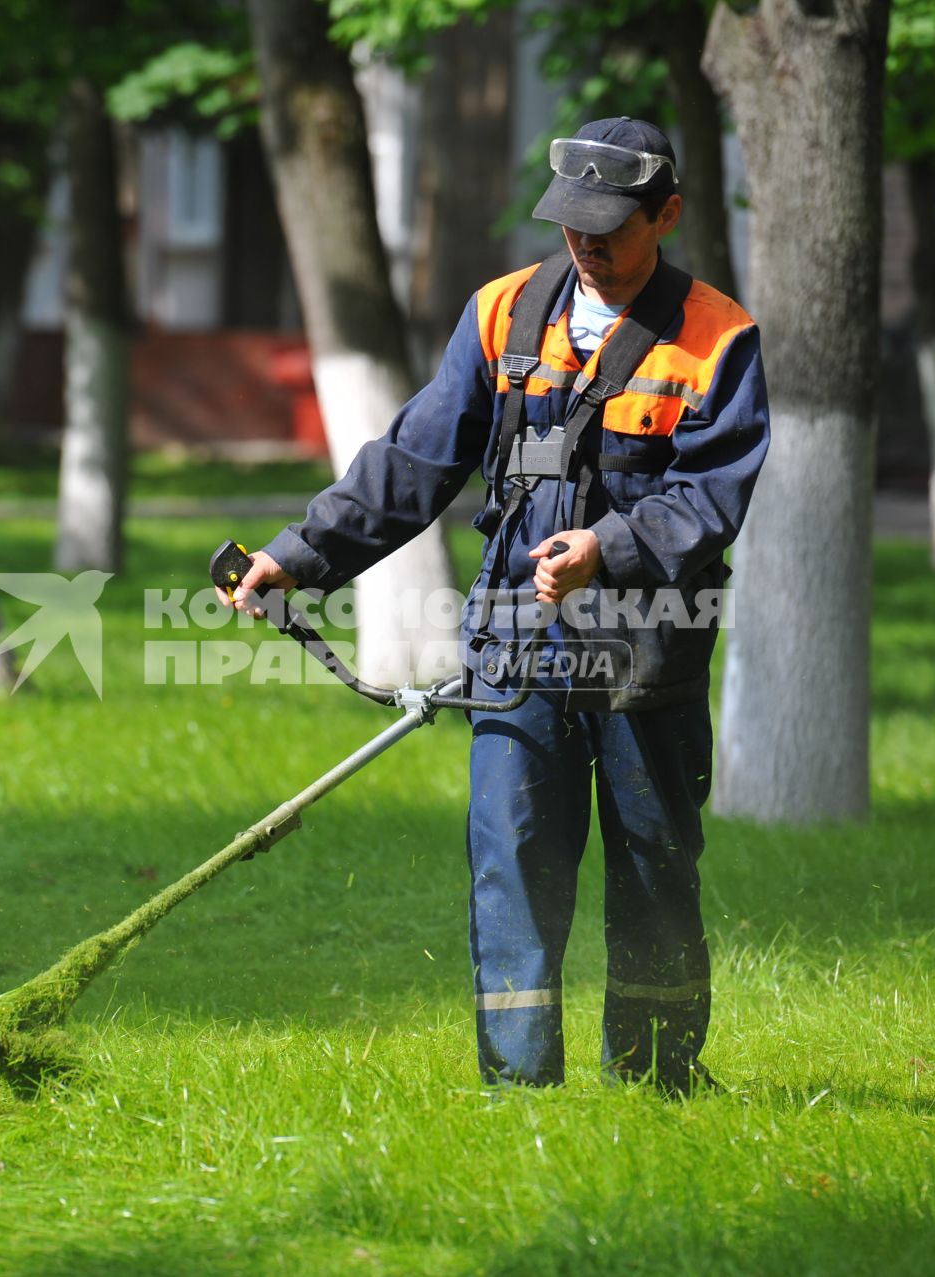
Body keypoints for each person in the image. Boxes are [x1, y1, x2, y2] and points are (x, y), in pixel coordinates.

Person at [224, 118, 769, 1093]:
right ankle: (519, 1090)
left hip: (647, 660)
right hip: (517, 653)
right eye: (571, 223)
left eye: (609, 224)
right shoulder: (502, 314)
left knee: (653, 875)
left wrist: (609, 547)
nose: (586, 244)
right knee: (513, 870)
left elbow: (710, 500)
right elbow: (412, 463)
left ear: (668, 214)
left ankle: (656, 1082)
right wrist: (298, 556)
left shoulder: (719, 337)